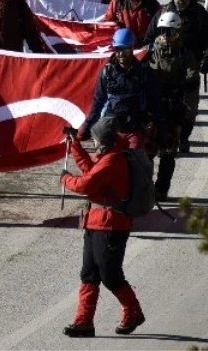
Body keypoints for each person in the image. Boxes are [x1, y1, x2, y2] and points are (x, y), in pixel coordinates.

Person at [59, 116, 147, 338]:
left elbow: (86, 183)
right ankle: (83, 322)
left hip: (111, 226)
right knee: (89, 274)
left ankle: (133, 311)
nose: (94, 143)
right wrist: (75, 145)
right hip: (97, 222)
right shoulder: (109, 156)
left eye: (95, 139)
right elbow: (90, 169)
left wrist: (65, 179)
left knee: (110, 275)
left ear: (104, 140)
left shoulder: (113, 161)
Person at [144, 0, 208, 152]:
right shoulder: (163, 14)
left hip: (189, 68)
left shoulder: (200, 15)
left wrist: (206, 61)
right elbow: (147, 39)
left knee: (189, 109)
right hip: (165, 68)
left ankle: (184, 137)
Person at [78, 28, 162, 151]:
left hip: (136, 126)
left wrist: (160, 129)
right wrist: (86, 126)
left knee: (137, 164)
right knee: (103, 162)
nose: (121, 54)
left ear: (132, 49)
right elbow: (98, 101)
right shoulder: (107, 72)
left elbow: (155, 103)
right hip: (111, 126)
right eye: (118, 50)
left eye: (125, 50)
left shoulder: (144, 73)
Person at [146, 12, 198, 201]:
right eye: (162, 31)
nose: (165, 35)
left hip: (174, 110)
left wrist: (188, 120)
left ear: (178, 33)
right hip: (153, 109)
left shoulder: (185, 55)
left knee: (168, 154)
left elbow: (193, 87)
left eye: (170, 31)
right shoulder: (149, 51)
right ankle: (144, 188)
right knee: (147, 152)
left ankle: (161, 190)